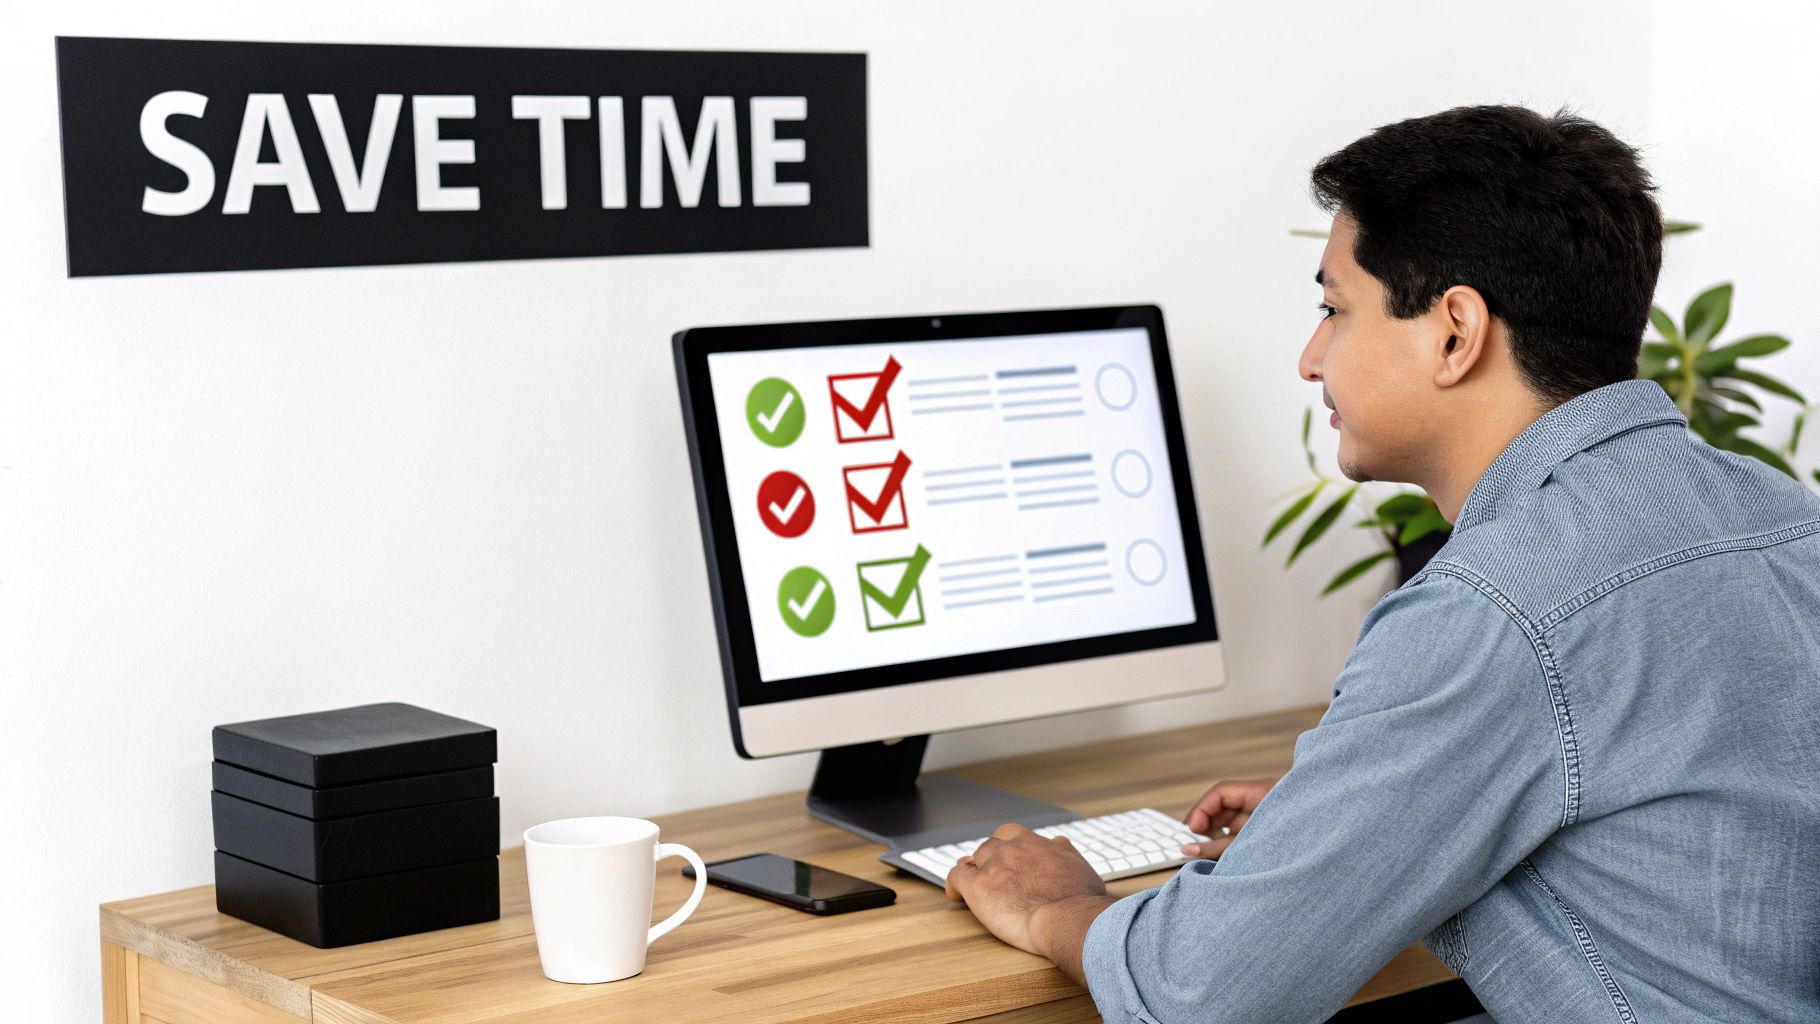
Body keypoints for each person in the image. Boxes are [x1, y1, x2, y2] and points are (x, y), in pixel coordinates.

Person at [943, 105, 1820, 1023]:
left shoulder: (1496, 608)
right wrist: (1372, 808)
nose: (1310, 358)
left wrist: (1058, 906)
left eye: (1334, 309)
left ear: (1454, 332)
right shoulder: (1780, 511)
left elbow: (1203, 993)